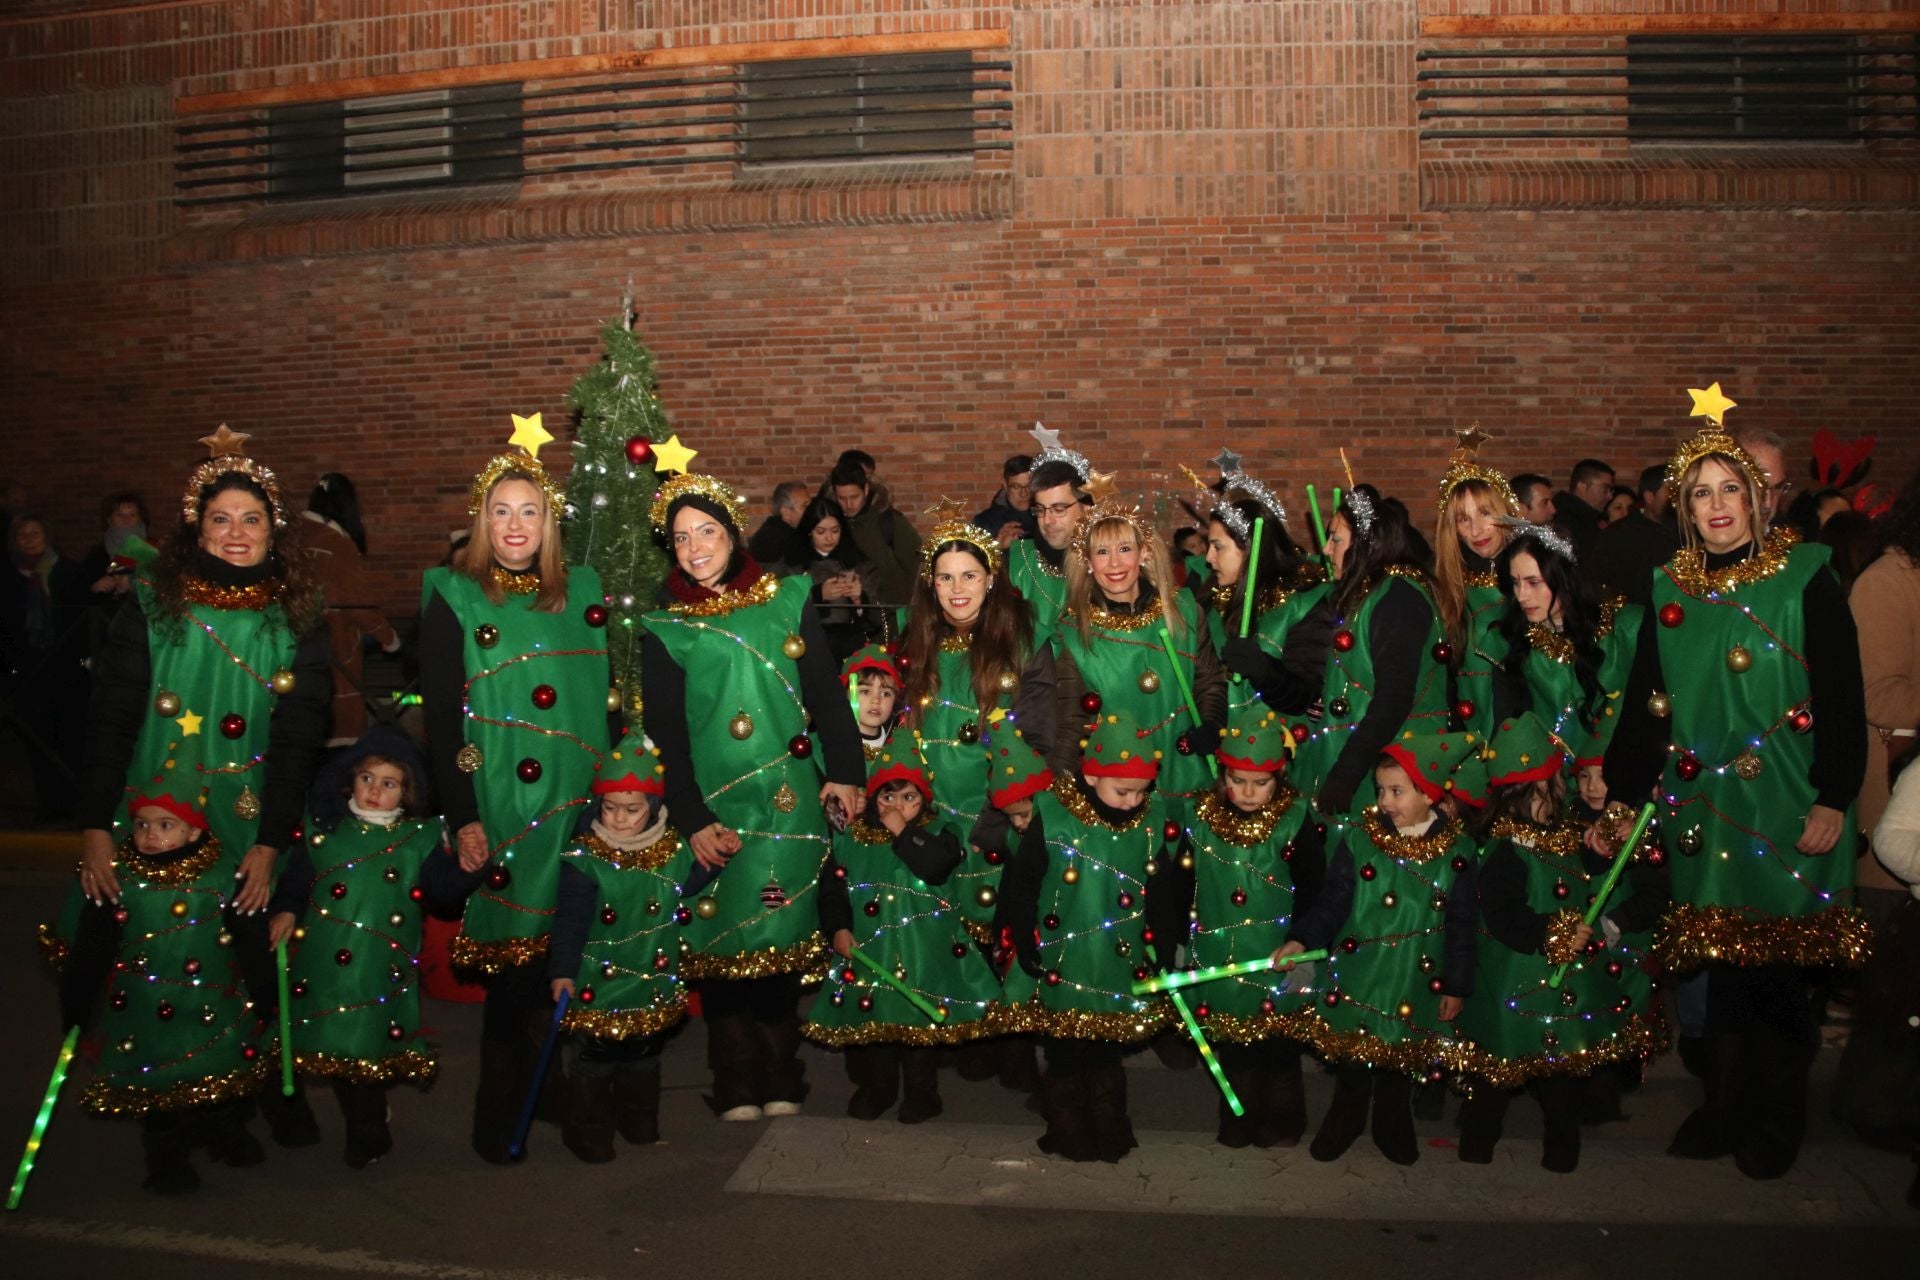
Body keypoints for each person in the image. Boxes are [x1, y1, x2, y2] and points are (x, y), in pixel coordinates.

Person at [1602, 406, 1869, 1180]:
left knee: (1779, 976)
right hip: (1705, 809)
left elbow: (1844, 699)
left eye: (1731, 490)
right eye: (1700, 494)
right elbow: (1645, 702)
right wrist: (1621, 796)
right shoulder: (1671, 588)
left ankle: (1777, 1118)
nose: (1716, 506)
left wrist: (1833, 796)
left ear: (1759, 499)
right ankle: (1723, 1105)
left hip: (1788, 805)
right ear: (1682, 509)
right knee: (1719, 971)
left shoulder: (1807, 577)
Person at [75, 424, 331, 1150]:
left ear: (273, 531)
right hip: (156, 813)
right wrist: (95, 823)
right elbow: (112, 718)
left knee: (233, 965)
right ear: (197, 528)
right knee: (159, 964)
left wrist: (274, 842)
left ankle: (224, 1104)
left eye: (252, 519)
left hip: (245, 817)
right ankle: (166, 1125)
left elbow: (297, 741)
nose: (237, 532)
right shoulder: (155, 606)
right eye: (221, 518)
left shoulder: (296, 618)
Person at [639, 469, 865, 1122]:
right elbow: (665, 735)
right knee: (721, 947)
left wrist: (845, 770)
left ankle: (781, 1076)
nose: (695, 547)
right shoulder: (666, 626)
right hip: (716, 810)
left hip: (789, 801)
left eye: (706, 531)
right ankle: (735, 1079)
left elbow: (824, 690)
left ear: (732, 534)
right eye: (681, 538)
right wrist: (689, 816)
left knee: (782, 935)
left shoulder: (787, 598)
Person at [419, 421, 613, 1163]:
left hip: (576, 805)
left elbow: (602, 701)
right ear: (481, 520)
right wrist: (462, 814)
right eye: (501, 510)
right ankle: (498, 1117)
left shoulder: (581, 593)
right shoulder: (454, 594)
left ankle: (556, 1096)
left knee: (565, 961)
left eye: (529, 511)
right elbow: (439, 717)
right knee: (513, 971)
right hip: (500, 807)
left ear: (549, 523)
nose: (515, 526)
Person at [1453, 714, 1665, 1173]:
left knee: (1563, 1075)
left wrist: (1613, 837)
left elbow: (1587, 857)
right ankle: (1476, 1143)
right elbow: (1505, 916)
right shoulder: (1504, 852)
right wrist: (1551, 932)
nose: (1568, 790)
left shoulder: (1562, 833)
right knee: (1496, 1074)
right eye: (1557, 784)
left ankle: (1562, 1150)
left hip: (1564, 988)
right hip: (1513, 983)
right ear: (1536, 791)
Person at [265, 725, 482, 1169]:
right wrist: (286, 909)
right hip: (323, 964)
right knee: (334, 1046)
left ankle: (367, 1130)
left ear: (407, 792)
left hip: (380, 968)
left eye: (389, 783)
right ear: (350, 780)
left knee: (364, 1046)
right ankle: (358, 1118)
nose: (374, 791)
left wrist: (469, 867)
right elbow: (297, 879)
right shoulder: (324, 830)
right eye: (367, 779)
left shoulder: (418, 838)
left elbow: (442, 893)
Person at [57, 789, 269, 1193]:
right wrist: (77, 1001)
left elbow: (248, 938)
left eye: (165, 825)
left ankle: (222, 1132)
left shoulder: (222, 876)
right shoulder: (120, 880)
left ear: (193, 833)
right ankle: (166, 1158)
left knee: (218, 1073)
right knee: (155, 1089)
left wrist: (263, 992)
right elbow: (93, 946)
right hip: (143, 1008)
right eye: (142, 825)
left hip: (211, 1004)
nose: (150, 835)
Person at [992, 709, 1181, 1162]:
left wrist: (1165, 941)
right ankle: (1067, 1126)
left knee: (1105, 1052)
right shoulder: (1054, 815)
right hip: (1063, 956)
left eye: (1141, 792)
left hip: (1117, 956)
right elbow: (1025, 880)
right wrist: (1024, 935)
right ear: (1093, 776)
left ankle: (1110, 1125)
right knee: (1065, 1052)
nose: (1133, 801)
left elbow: (1161, 885)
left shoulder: (1150, 820)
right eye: (1123, 791)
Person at [1290, 732, 1482, 1164]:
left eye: (1397, 790)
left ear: (1429, 794)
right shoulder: (1360, 840)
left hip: (1414, 978)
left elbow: (1462, 923)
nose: (1386, 800)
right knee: (1354, 1063)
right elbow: (1334, 900)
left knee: (1399, 1062)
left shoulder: (1458, 852)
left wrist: (1457, 984)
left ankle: (1391, 1123)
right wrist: (1302, 937)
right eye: (1380, 790)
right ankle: (1347, 1117)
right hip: (1361, 974)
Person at [1235, 486, 1450, 824]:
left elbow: (1393, 698)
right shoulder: (1368, 595)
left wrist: (1345, 774)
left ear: (1366, 544)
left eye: (1336, 539)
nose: (1325, 548)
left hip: (1396, 775)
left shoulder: (1398, 599)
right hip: (1370, 764)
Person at [1178, 701, 1331, 1149]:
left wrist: (1300, 938)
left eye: (1259, 783)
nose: (1247, 792)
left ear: (1278, 778)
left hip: (1277, 955)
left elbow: (1313, 887)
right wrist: (1174, 939)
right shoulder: (1201, 821)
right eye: (1237, 781)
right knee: (1235, 1048)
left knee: (1281, 1049)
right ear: (1223, 777)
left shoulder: (1296, 822)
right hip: (1220, 954)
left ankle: (1284, 1119)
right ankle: (1238, 1118)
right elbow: (1180, 883)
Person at [809, 736, 985, 1121]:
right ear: (872, 799)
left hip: (926, 953)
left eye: (909, 797)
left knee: (918, 1027)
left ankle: (923, 1094)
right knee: (876, 1026)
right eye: (888, 798)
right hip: (872, 952)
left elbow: (936, 866)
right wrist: (837, 928)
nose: (898, 807)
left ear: (924, 799)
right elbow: (834, 887)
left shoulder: (943, 831)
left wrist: (904, 833)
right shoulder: (853, 837)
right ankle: (879, 1088)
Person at [547, 748, 694, 1160]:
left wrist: (720, 854)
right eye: (610, 808)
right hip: (600, 982)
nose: (619, 818)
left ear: (653, 807)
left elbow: (694, 878)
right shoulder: (585, 860)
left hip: (650, 978)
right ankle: (587, 1131)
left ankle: (640, 1122)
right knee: (595, 1058)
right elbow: (570, 922)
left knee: (644, 1057)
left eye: (632, 809)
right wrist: (562, 970)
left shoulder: (670, 851)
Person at [1833, 470, 1920, 1148]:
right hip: (1897, 811)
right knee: (1895, 983)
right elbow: (1878, 697)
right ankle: (1872, 1110)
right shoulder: (1892, 583)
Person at [1051, 492, 1226, 806]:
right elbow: (1071, 724)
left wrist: (1211, 724)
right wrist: (1059, 796)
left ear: (1144, 553)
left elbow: (1209, 680)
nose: (1115, 563)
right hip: (1119, 790)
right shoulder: (1074, 634)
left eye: (1125, 549)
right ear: (1088, 562)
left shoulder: (1183, 609)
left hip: (1188, 777)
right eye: (1102, 552)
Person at [1487, 521, 1642, 805]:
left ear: (1565, 578)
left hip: (1623, 788)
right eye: (1515, 582)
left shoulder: (1625, 630)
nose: (1521, 595)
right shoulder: (1512, 644)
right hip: (1552, 798)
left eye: (1534, 582)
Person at [1431, 434, 1522, 738]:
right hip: (1471, 735)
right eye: (1462, 519)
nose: (1476, 529)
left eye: (1484, 513)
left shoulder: (1538, 576)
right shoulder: (1449, 590)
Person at [3, 512, 92, 819]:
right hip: (28, 670)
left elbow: (81, 617)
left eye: (35, 534)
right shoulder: (8, 575)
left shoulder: (66, 571)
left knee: (71, 735)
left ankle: (75, 799)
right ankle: (49, 802)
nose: (29, 540)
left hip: (64, 667)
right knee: (37, 737)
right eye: (23, 534)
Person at [302, 473, 400, 748]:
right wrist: (390, 639)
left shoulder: (287, 538)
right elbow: (358, 603)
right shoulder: (336, 545)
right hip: (334, 656)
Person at [1006, 445, 1090, 646]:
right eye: (1041, 510)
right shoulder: (1017, 561)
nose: (1047, 520)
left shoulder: (1109, 565)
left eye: (1059, 509)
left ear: (1086, 508)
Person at [789, 496, 886, 660]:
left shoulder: (860, 564)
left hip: (852, 644)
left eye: (835, 531)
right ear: (809, 532)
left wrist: (859, 598)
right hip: (811, 645)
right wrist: (819, 595)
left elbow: (879, 617)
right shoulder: (793, 565)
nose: (829, 538)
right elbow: (786, 607)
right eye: (821, 531)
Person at [829, 458, 921, 606]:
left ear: (865, 489)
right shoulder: (828, 522)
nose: (848, 504)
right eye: (842, 498)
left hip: (889, 611)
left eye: (854, 497)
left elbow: (917, 565)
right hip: (843, 614)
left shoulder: (889, 521)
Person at [1590, 464, 1682, 607]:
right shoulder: (1618, 534)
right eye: (1671, 493)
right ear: (1649, 497)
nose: (1677, 501)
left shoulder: (1687, 531)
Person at [1552, 459, 1614, 562]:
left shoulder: (1594, 518)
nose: (1610, 496)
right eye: (1605, 488)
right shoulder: (1564, 519)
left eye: (1611, 490)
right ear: (1582, 486)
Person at [972, 454, 1037, 548]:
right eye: (1016, 487)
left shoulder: (1046, 517)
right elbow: (972, 558)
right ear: (1005, 485)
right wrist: (997, 546)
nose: (1024, 493)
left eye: (1028, 486)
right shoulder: (985, 522)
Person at [747, 480, 809, 567]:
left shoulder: (771, 530)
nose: (811, 509)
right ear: (786, 512)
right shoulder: (782, 539)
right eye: (805, 506)